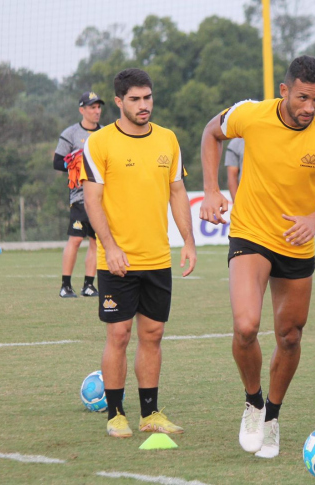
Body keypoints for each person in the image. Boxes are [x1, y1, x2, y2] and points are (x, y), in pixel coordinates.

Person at [199, 55, 315, 458]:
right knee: (246, 325)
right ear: (285, 90)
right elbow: (210, 133)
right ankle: (252, 403)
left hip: (297, 242)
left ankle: (272, 416)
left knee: (289, 336)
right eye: (303, 97)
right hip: (250, 232)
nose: (310, 108)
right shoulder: (250, 114)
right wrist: (213, 190)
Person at [80, 68, 197, 438]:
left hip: (157, 257)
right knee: (118, 335)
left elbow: (177, 192)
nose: (143, 105)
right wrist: (109, 247)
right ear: (118, 102)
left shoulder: (168, 140)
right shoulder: (99, 144)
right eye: (135, 99)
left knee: (153, 334)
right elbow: (92, 200)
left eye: (148, 97)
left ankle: (151, 413)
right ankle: (115, 414)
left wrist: (188, 241)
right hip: (117, 260)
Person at [53, 91, 104, 298]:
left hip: (101, 198)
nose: (97, 111)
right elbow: (57, 162)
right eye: (92, 107)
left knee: (95, 242)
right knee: (75, 240)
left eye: (98, 107)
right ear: (81, 110)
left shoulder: (106, 133)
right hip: (80, 198)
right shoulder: (71, 133)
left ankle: (88, 285)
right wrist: (74, 162)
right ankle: (65, 285)